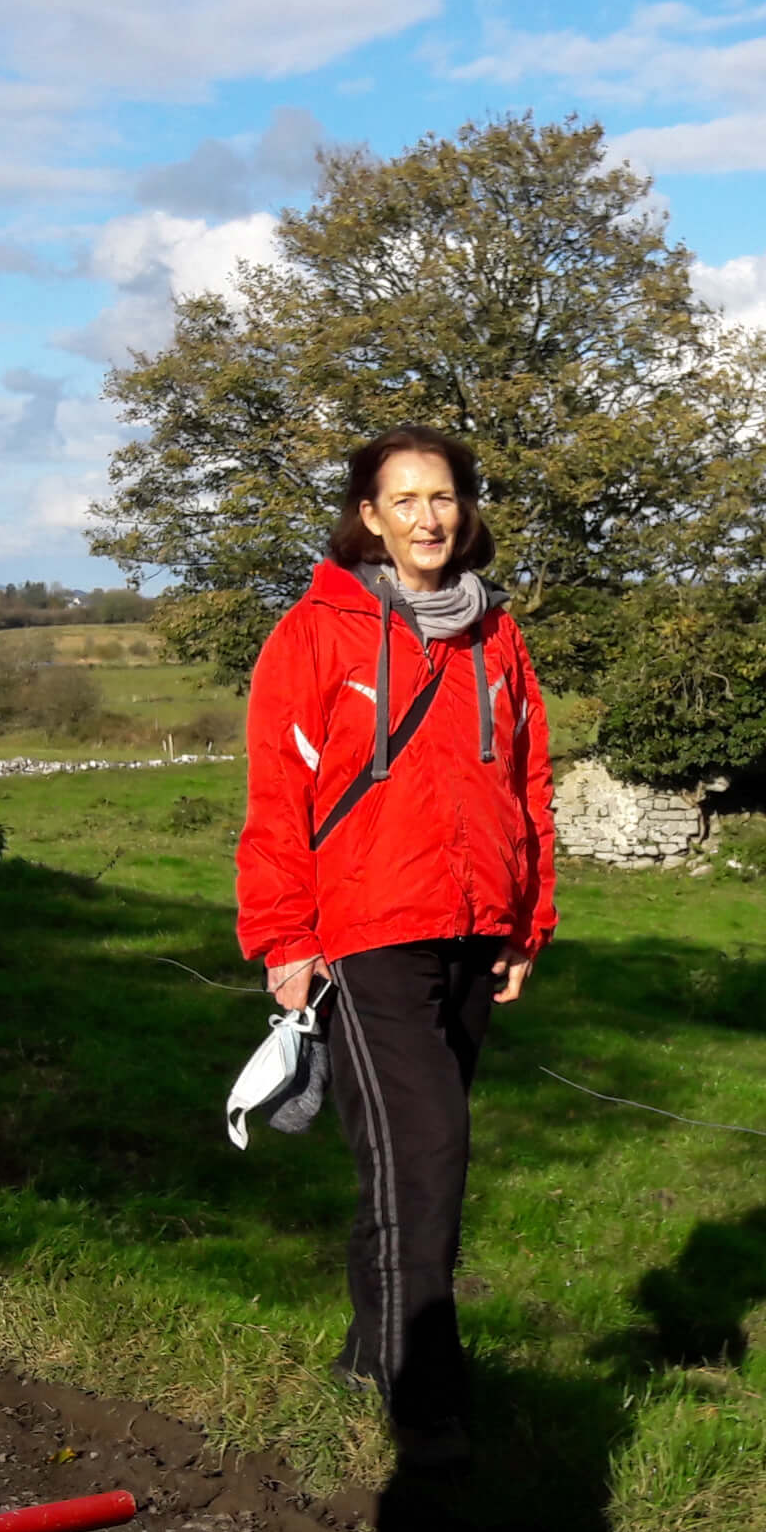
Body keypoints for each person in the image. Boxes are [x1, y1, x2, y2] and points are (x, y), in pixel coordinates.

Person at [235, 425, 557, 1471]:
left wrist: (527, 922)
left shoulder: (495, 636)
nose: (430, 516)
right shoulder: (314, 633)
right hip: (362, 934)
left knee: (406, 1161)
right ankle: (427, 1396)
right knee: (427, 1150)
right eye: (405, 499)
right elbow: (276, 800)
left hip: (473, 927)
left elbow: (527, 786)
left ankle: (365, 1359)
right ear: (367, 517)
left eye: (445, 497)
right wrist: (284, 935)